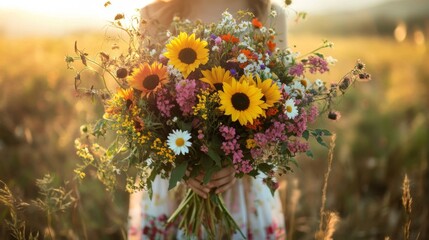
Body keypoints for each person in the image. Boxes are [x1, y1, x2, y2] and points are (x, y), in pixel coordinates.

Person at [128, 0, 288, 239]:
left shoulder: (268, 13)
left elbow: (279, 102)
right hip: (173, 178)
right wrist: (183, 167)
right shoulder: (153, 15)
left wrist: (237, 162)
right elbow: (141, 107)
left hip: (242, 181)